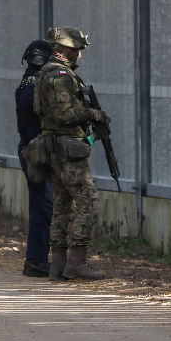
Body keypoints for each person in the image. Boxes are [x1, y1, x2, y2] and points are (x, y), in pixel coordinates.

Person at [34, 26, 110, 281]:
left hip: (54, 147)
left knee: (62, 204)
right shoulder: (61, 74)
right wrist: (94, 114)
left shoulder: (46, 71)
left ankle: (57, 264)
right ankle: (76, 262)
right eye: (77, 49)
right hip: (66, 148)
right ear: (66, 49)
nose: (80, 55)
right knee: (89, 201)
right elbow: (64, 114)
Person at [15, 39, 55, 277]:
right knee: (43, 205)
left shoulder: (27, 82)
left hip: (30, 149)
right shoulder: (35, 87)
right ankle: (37, 261)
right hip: (37, 152)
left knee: (42, 204)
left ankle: (38, 260)